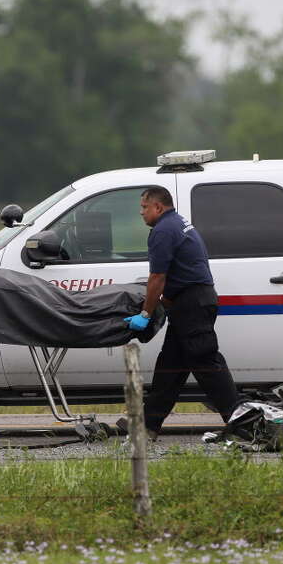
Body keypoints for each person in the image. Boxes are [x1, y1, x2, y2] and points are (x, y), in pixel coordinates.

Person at [119, 186, 240, 438]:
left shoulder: (162, 231)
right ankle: (147, 426)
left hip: (192, 304)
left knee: (207, 363)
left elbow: (157, 277)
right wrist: (169, 302)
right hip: (193, 301)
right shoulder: (178, 223)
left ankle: (241, 424)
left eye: (144, 207)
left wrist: (145, 314)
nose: (141, 213)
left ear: (158, 207)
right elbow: (183, 270)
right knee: (170, 366)